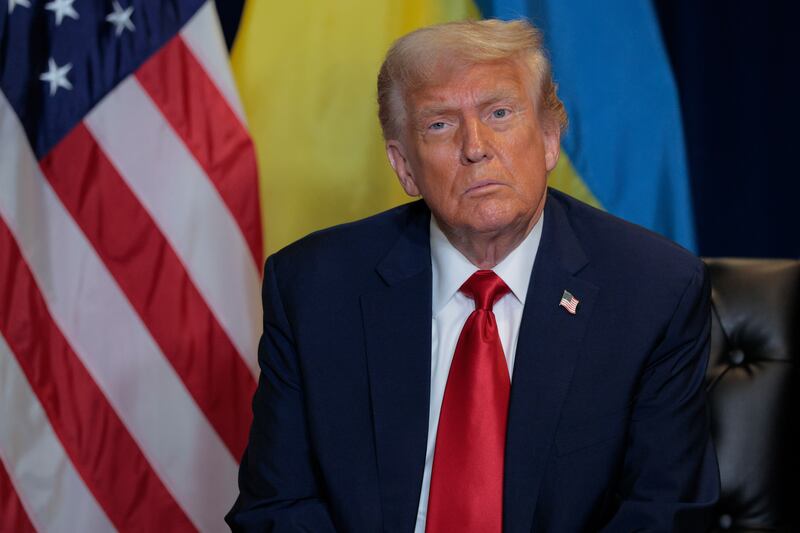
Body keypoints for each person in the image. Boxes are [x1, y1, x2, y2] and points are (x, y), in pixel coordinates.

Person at [226, 19, 719, 532]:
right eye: (440, 124)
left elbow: (665, 514)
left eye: (499, 113)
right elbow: (276, 507)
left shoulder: (652, 290)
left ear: (549, 138)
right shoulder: (316, 288)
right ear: (404, 166)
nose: (475, 146)